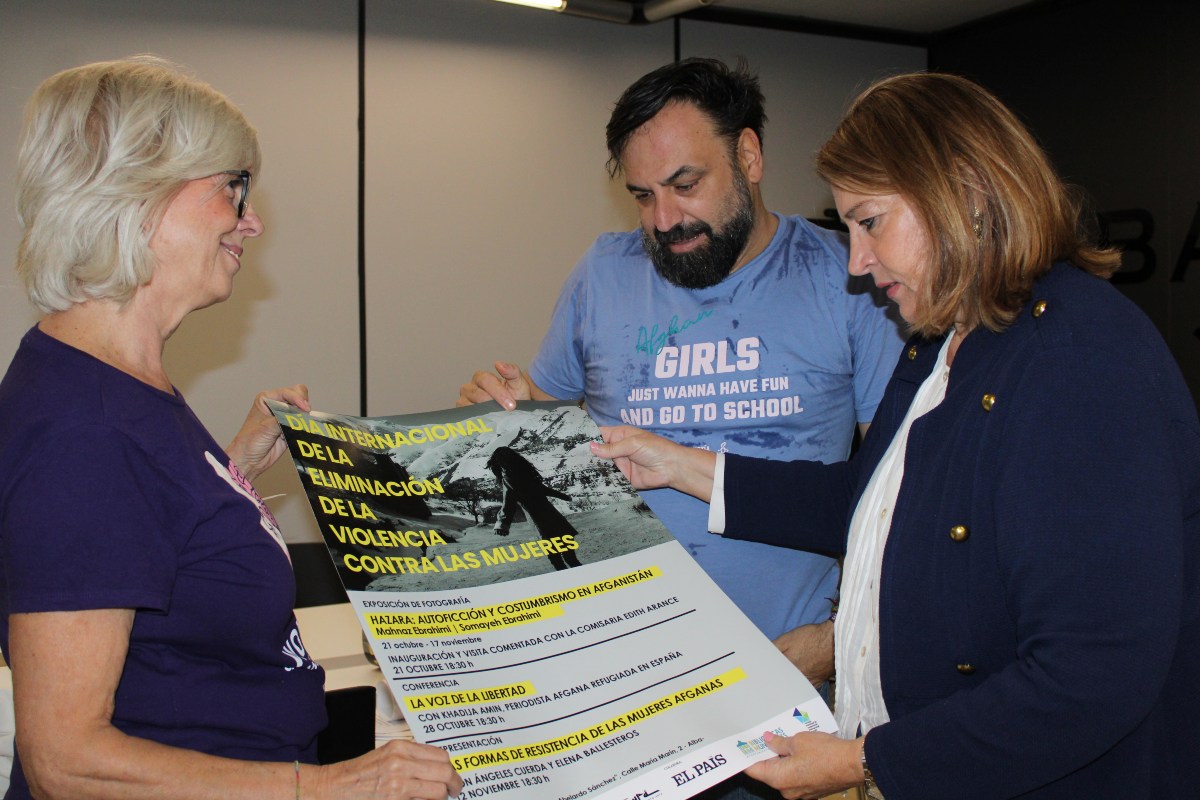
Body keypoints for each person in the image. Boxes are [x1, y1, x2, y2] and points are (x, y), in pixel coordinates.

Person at [592, 71, 1200, 799]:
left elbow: (1091, 675)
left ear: (968, 195)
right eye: (847, 227)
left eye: (871, 222)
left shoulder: (1081, 359)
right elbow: (871, 501)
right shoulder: (943, 341)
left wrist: (862, 762)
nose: (856, 262)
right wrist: (678, 465)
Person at [0, 58, 462, 800]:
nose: (252, 220)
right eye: (231, 189)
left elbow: (153, 550)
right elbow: (67, 759)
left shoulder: (123, 385)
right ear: (140, 191)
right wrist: (334, 789)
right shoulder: (83, 426)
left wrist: (232, 468)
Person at [458, 58, 904, 691]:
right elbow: (541, 447)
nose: (663, 220)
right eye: (643, 196)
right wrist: (503, 414)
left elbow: (900, 501)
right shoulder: (602, 273)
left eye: (685, 184)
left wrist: (835, 640)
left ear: (748, 157)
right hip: (626, 671)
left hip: (791, 670)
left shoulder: (852, 278)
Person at [487, 447, 584, 570]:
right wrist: (562, 495)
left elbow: (509, 502)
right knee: (570, 557)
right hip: (552, 517)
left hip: (540, 522)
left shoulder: (509, 478)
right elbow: (542, 489)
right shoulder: (525, 473)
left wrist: (502, 523)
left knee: (557, 560)